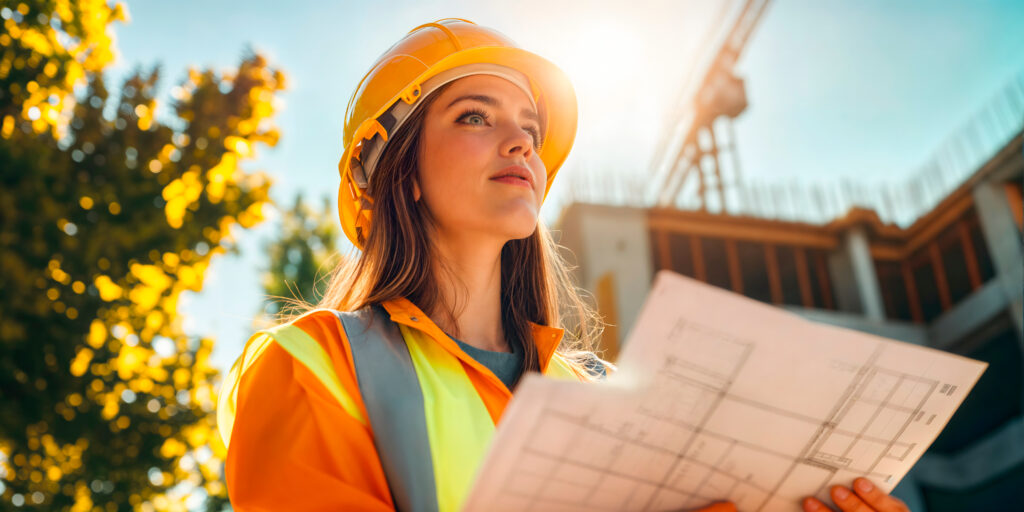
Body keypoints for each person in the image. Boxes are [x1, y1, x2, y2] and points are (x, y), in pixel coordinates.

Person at [215, 18, 909, 512]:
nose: (521, 142)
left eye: (531, 127)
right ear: (403, 173)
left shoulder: (604, 391)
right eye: (474, 117)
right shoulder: (315, 367)